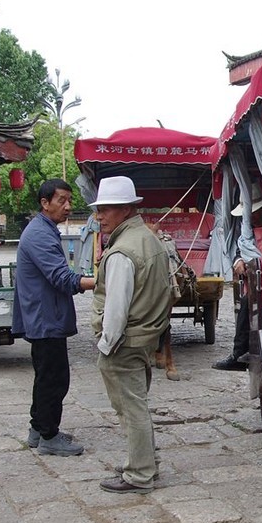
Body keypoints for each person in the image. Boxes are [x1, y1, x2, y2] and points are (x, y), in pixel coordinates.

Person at [88, 176, 174, 494]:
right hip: (145, 336)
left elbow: (116, 308)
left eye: (106, 209)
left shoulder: (123, 250)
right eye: (99, 209)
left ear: (125, 209)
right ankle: (145, 462)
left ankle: (139, 473)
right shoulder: (148, 239)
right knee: (136, 403)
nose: (100, 216)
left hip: (125, 341)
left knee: (130, 407)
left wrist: (106, 344)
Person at [12, 178, 96, 456]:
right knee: (55, 379)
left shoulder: (44, 229)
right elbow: (61, 277)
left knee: (45, 376)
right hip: (44, 318)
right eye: (62, 200)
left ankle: (38, 429)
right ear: (44, 203)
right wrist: (100, 281)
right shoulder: (39, 234)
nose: (68, 206)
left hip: (44, 316)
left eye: (70, 200)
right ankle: (49, 436)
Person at [212, 183, 262, 371]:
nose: (252, 217)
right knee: (246, 303)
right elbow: (238, 250)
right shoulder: (246, 232)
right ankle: (239, 353)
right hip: (256, 280)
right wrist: (238, 261)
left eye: (254, 212)